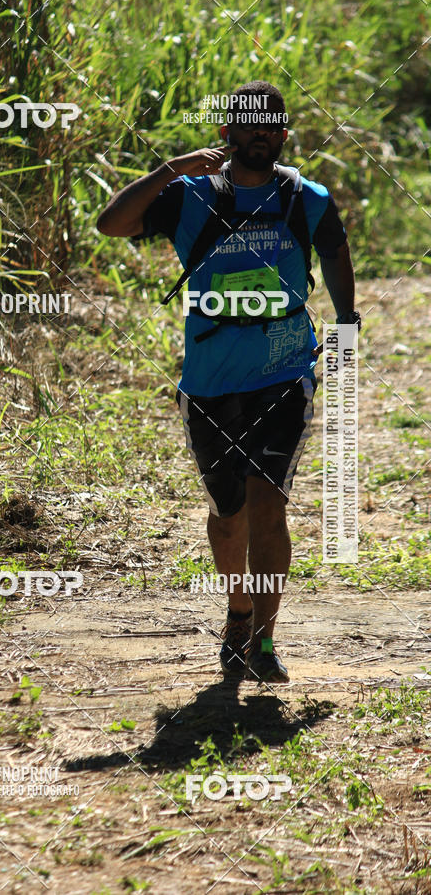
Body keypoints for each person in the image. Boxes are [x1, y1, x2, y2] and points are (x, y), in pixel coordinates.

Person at [97, 80, 358, 684]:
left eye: (271, 127)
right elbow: (112, 224)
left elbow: (336, 253)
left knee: (270, 505)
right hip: (211, 377)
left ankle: (264, 641)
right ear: (227, 133)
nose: (260, 135)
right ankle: (238, 611)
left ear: (284, 135)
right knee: (228, 510)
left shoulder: (306, 196)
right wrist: (171, 167)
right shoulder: (188, 195)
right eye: (248, 126)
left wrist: (345, 320)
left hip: (286, 370)